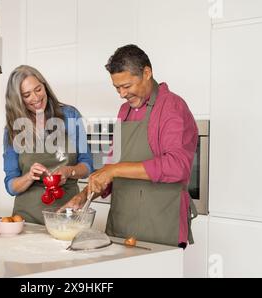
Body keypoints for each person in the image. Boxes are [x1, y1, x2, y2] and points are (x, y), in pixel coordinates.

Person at [62, 45, 198, 247]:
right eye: (117, 88)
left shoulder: (172, 107)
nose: (122, 94)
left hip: (158, 230)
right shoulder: (124, 111)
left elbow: (177, 166)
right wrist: (84, 195)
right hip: (121, 227)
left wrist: (113, 169)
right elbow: (112, 165)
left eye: (127, 86)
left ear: (146, 73)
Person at [3, 65, 93, 224]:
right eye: (27, 95)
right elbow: (11, 186)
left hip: (66, 213)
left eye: (38, 89)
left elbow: (87, 165)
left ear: (45, 86)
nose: (36, 98)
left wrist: (69, 171)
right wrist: (29, 177)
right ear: (18, 100)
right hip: (26, 219)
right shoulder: (14, 129)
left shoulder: (70, 115)